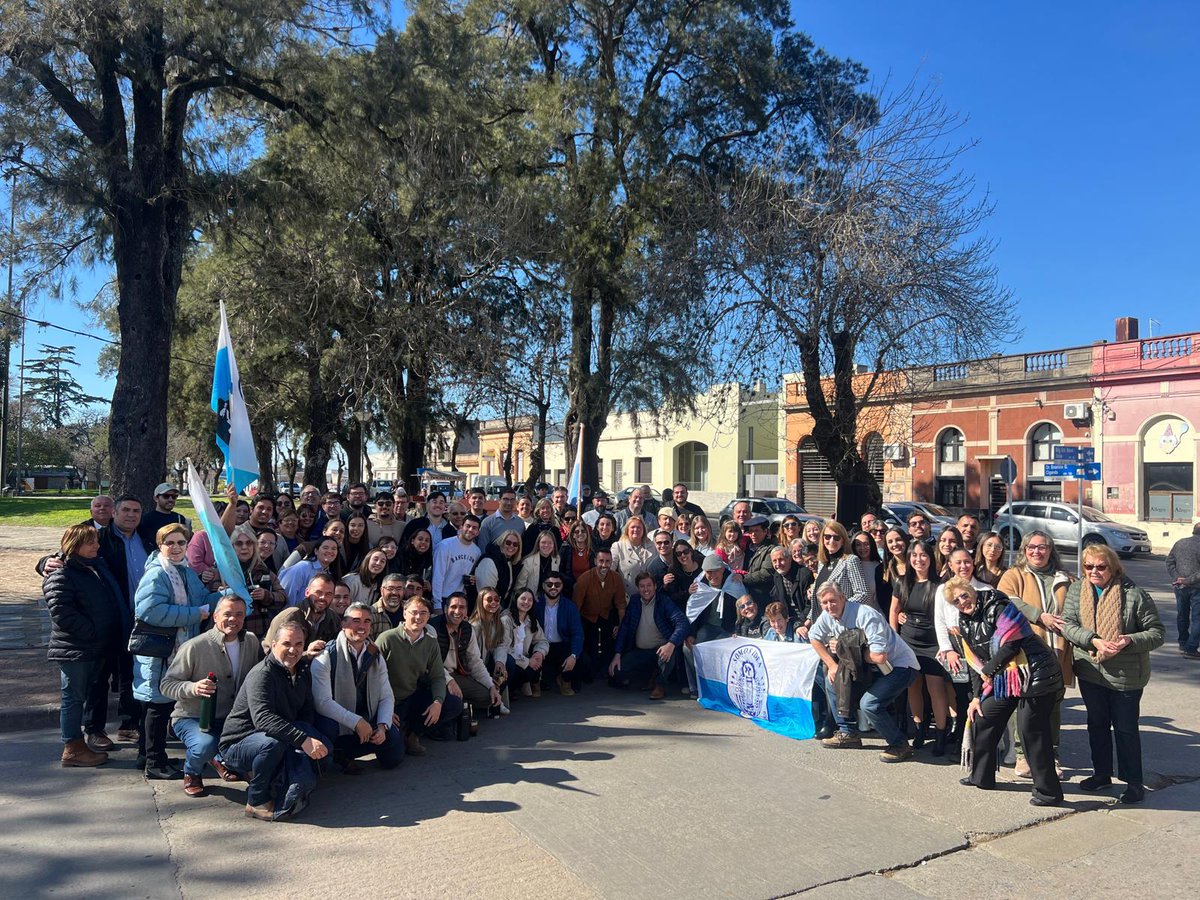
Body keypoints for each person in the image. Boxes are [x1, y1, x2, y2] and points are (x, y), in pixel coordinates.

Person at [946, 578, 1064, 806]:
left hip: (1036, 673)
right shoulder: (965, 622)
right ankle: (981, 776)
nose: (962, 602)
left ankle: (1048, 792)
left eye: (964, 595)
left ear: (972, 590)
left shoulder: (998, 604)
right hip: (1005, 678)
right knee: (984, 717)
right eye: (956, 601)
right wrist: (977, 697)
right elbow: (975, 664)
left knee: (1030, 730)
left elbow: (1011, 645)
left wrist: (989, 672)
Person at [1061, 544, 1164, 804]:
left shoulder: (1134, 595)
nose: (1094, 571)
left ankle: (1133, 782)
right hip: (1090, 670)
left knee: (1125, 729)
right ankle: (1102, 775)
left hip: (1126, 675)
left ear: (1113, 567)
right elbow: (1068, 625)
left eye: (1101, 566)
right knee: (1097, 725)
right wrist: (1094, 640)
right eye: (1088, 566)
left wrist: (1129, 640)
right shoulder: (1077, 590)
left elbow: (1157, 632)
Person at [132, 524, 224, 779]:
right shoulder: (157, 574)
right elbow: (149, 612)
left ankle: (147, 755)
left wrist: (223, 596)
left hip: (172, 649)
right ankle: (155, 763)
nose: (175, 548)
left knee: (158, 706)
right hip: (160, 652)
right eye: (169, 543)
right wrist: (195, 614)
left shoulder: (184, 570)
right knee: (157, 708)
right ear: (160, 545)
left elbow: (201, 597)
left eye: (181, 543)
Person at [218, 621, 331, 820]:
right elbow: (263, 719)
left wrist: (303, 739)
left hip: (276, 735)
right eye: (286, 643)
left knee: (323, 747)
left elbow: (306, 712)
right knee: (273, 744)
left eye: (298, 644)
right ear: (273, 645)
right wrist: (302, 740)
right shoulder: (262, 674)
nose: (292, 649)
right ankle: (256, 801)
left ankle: (271, 777)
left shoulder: (302, 670)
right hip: (240, 742)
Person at [161, 596, 263, 796]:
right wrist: (193, 688)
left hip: (232, 719)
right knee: (205, 745)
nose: (233, 619)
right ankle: (192, 771)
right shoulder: (194, 646)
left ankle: (225, 760)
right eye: (227, 614)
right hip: (193, 717)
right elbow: (166, 685)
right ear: (215, 617)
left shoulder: (251, 640)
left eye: (239, 614)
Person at [808, 582, 920, 763]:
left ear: (843, 598)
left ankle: (900, 745)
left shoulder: (865, 614)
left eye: (833, 601)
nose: (829, 606)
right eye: (825, 602)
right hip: (868, 667)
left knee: (869, 704)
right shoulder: (828, 615)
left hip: (900, 666)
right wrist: (832, 664)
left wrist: (846, 648)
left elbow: (880, 657)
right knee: (832, 679)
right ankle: (847, 732)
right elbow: (814, 637)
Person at [43, 524, 125, 767]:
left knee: (84, 695)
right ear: (75, 544)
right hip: (76, 649)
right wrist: (93, 633)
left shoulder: (93, 567)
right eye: (91, 542)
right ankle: (72, 748)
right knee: (73, 698)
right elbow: (62, 613)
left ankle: (81, 743)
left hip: (94, 646)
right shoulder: (62, 574)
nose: (97, 546)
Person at [998, 531, 1075, 778]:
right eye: (1031, 547)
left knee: (1053, 707)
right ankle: (1023, 755)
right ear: (1024, 549)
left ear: (1051, 550)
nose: (1037, 552)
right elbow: (1006, 600)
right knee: (1024, 705)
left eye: (1042, 547)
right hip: (1026, 654)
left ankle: (1051, 755)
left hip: (1058, 652)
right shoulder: (1014, 575)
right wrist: (1038, 616)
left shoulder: (1066, 579)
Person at [311, 602, 402, 774]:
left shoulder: (375, 654)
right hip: (337, 722)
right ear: (343, 624)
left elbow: (386, 696)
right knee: (327, 727)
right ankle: (336, 755)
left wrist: (382, 726)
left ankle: (347, 753)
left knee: (393, 753)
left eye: (367, 621)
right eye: (356, 621)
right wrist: (356, 722)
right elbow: (322, 702)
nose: (362, 626)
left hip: (365, 715)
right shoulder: (326, 656)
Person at [377, 594, 465, 756]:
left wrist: (438, 702)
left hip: (411, 696)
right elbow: (372, 678)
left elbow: (438, 676)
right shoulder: (386, 639)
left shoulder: (430, 642)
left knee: (453, 704)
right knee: (392, 759)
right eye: (414, 612)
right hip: (389, 702)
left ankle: (413, 734)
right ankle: (398, 733)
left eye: (423, 613)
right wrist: (383, 709)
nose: (418, 617)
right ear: (404, 613)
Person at [889, 541, 949, 755]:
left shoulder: (939, 585)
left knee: (936, 690)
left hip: (933, 644)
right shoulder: (902, 582)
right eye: (913, 555)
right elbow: (894, 611)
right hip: (907, 644)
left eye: (923, 555)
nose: (918, 559)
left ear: (930, 558)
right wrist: (894, 639)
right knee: (913, 687)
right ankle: (920, 729)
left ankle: (941, 734)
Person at [609, 572, 688, 699]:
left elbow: (682, 622)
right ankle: (650, 675)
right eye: (642, 586)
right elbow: (624, 627)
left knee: (667, 655)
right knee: (617, 672)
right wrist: (617, 654)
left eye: (649, 585)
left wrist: (671, 643)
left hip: (661, 650)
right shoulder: (634, 602)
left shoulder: (664, 601)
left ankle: (660, 685)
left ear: (655, 586)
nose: (646, 589)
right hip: (640, 651)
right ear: (637, 588)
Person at [432, 592, 502, 719]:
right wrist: (450, 681)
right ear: (445, 609)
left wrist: (491, 685)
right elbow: (430, 663)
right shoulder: (433, 628)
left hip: (457, 675)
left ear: (466, 611)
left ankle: (460, 708)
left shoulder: (467, 629)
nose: (457, 611)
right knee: (452, 701)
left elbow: (475, 661)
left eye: (462, 607)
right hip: (435, 676)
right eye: (453, 607)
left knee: (487, 697)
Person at [230, 524, 287, 641]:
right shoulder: (222, 571)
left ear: (254, 546)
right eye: (239, 543)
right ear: (232, 546)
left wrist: (266, 595)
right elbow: (206, 601)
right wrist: (221, 593)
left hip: (257, 633)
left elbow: (283, 598)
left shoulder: (264, 570)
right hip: (229, 631)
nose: (244, 547)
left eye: (249, 543)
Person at [535, 574, 589, 695]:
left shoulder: (570, 606)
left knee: (583, 661)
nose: (553, 587)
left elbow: (577, 633)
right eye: (549, 584)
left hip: (562, 645)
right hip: (541, 647)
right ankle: (534, 683)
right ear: (543, 586)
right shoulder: (535, 605)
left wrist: (573, 655)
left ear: (562, 586)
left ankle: (565, 680)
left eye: (557, 584)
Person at [571, 548, 626, 666]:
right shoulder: (584, 579)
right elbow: (576, 607)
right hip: (587, 617)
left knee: (610, 641)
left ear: (611, 562)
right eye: (601, 561)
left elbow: (621, 604)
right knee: (589, 646)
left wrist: (620, 625)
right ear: (595, 561)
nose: (604, 565)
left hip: (606, 616)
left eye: (607, 561)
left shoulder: (616, 578)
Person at [263, 573, 341, 651]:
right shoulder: (289, 617)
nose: (323, 597)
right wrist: (306, 655)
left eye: (328, 594)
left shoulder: (333, 619)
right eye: (318, 592)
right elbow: (271, 652)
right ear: (307, 592)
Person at [498, 589, 550, 698]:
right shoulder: (506, 619)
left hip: (523, 660)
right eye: (523, 598)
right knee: (510, 663)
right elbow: (504, 648)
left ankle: (515, 688)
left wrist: (539, 653)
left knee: (537, 663)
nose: (526, 602)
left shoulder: (531, 620)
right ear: (516, 600)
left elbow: (542, 640)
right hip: (509, 661)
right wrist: (527, 661)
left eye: (530, 600)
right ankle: (505, 691)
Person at [469, 589, 511, 714]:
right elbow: (471, 657)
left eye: (497, 599)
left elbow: (502, 645)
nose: (494, 602)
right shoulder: (474, 626)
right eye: (489, 599)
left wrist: (499, 662)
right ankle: (491, 699)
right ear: (480, 602)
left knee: (508, 663)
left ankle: (497, 698)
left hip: (489, 660)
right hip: (476, 664)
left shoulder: (499, 623)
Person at [814, 521, 872, 611]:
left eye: (837, 538)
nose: (831, 541)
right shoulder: (822, 562)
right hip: (819, 619)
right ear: (822, 539)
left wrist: (840, 608)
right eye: (828, 537)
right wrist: (808, 621)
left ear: (843, 541)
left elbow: (863, 594)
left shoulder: (850, 560)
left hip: (840, 620)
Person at [431, 515, 482, 611]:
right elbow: (438, 575)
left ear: (478, 532)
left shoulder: (476, 551)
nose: (470, 530)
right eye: (468, 526)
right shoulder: (445, 546)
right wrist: (437, 603)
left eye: (474, 528)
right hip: (443, 598)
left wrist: (473, 579)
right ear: (461, 527)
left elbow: (471, 575)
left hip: (461, 599)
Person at [1166, 521, 1200, 658]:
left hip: (1180, 586)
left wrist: (1177, 577)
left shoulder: (1180, 543)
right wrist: (1187, 580)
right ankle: (1191, 648)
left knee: (1182, 615)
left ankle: (1183, 642)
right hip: (1196, 587)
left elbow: (1169, 561)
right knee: (1198, 619)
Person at [279, 536, 340, 607]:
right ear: (316, 551)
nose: (330, 551)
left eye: (334, 549)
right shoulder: (303, 567)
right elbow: (287, 593)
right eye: (325, 548)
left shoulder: (328, 573)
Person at [758, 545, 813, 622]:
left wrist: (800, 622)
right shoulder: (777, 576)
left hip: (806, 618)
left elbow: (810, 604)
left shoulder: (804, 574)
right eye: (774, 561)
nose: (778, 564)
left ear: (789, 559)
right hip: (788, 619)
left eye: (781, 560)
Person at [515, 529, 567, 598]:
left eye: (550, 543)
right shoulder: (528, 562)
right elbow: (519, 588)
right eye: (543, 542)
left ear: (554, 544)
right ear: (538, 544)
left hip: (549, 598)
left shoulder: (557, 559)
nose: (546, 545)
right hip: (531, 600)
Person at [612, 518, 656, 599]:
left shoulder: (652, 546)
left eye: (639, 527)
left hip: (649, 596)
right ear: (627, 530)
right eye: (633, 527)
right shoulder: (618, 546)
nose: (636, 529)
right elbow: (611, 570)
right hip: (626, 596)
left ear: (643, 530)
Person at [370, 574, 407, 639]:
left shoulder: (411, 610)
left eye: (399, 589)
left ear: (404, 591)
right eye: (390, 588)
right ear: (382, 591)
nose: (394, 593)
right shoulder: (370, 613)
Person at [561, 521, 595, 590]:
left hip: (589, 588)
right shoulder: (565, 550)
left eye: (583, 531)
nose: (580, 533)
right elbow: (561, 571)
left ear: (587, 534)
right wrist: (573, 584)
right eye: (577, 532)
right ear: (573, 535)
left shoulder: (593, 550)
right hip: (570, 589)